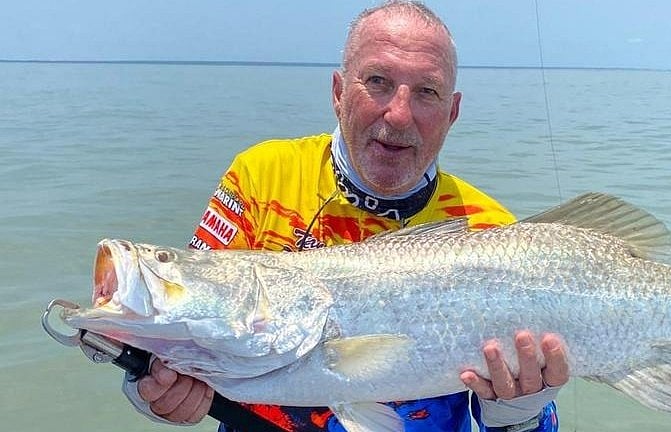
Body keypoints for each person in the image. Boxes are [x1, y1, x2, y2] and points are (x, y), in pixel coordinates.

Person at [124, 1, 570, 431]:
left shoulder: (494, 234)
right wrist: (147, 384)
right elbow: (190, 317)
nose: (398, 114)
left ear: (452, 112)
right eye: (377, 81)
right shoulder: (261, 178)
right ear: (338, 93)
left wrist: (520, 415)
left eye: (427, 92)